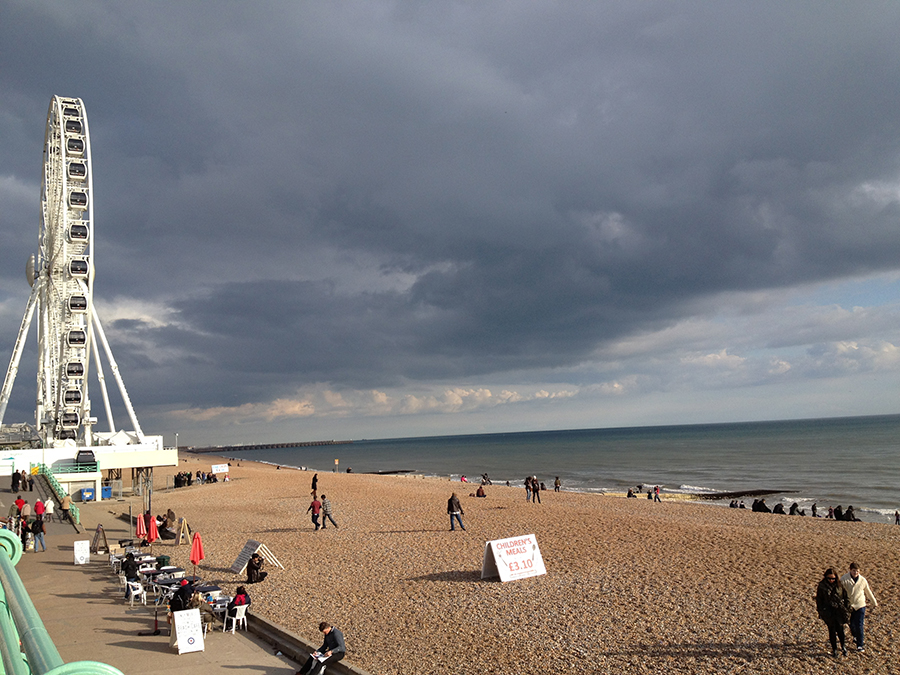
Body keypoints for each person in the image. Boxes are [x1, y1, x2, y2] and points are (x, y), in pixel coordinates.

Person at [841, 562, 877, 652]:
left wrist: (874, 602)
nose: (855, 573)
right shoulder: (844, 579)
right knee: (851, 623)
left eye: (857, 571)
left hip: (860, 605)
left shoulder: (863, 580)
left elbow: (868, 591)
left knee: (859, 625)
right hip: (849, 606)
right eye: (854, 571)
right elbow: (840, 592)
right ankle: (855, 636)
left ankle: (860, 645)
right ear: (850, 570)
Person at [816, 567, 851, 657]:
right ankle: (834, 649)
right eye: (829, 578)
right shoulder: (822, 586)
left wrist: (847, 607)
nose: (831, 580)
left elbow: (845, 596)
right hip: (828, 611)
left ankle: (843, 647)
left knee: (840, 630)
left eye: (833, 578)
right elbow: (819, 600)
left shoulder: (839, 585)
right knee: (831, 630)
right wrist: (822, 611)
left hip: (839, 610)